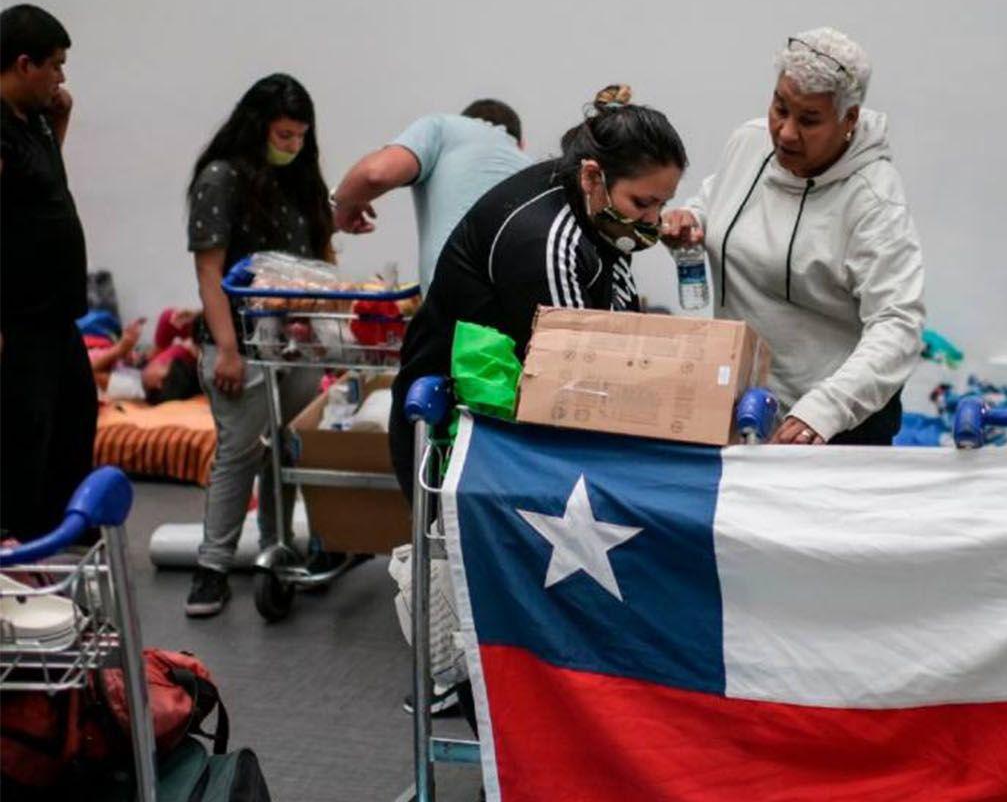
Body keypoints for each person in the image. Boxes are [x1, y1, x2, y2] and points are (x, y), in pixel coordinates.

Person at [390, 85, 686, 497]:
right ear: (592, 176)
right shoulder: (547, 240)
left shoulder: (595, 210)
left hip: (513, 438)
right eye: (642, 203)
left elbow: (618, 323)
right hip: (460, 441)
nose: (653, 220)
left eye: (661, 205)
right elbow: (578, 380)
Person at [661, 27, 925, 446]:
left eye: (809, 120)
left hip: (829, 425)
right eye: (779, 108)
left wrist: (826, 410)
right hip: (739, 404)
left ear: (849, 119)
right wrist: (690, 220)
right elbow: (715, 199)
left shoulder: (873, 200)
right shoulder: (749, 143)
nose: (785, 132)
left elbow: (898, 324)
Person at [185, 74, 337, 617]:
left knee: (286, 451)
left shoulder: (300, 181)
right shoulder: (221, 178)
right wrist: (227, 349)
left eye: (300, 136)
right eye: (283, 135)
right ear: (257, 128)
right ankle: (212, 567)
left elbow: (316, 261)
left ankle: (277, 550)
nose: (292, 146)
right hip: (240, 342)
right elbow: (209, 271)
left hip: (295, 344)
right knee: (240, 452)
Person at [0, 4, 95, 541]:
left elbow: (40, 185)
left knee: (73, 423)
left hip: (57, 316)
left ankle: (62, 538)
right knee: (24, 439)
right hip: (19, 319)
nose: (61, 78)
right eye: (55, 65)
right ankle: (20, 551)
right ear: (23, 64)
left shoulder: (34, 119)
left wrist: (59, 122)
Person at [331, 98, 533, 292]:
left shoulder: (444, 128)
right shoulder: (533, 168)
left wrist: (340, 204)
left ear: (465, 122)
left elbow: (375, 174)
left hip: (458, 302)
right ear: (521, 144)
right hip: (526, 303)